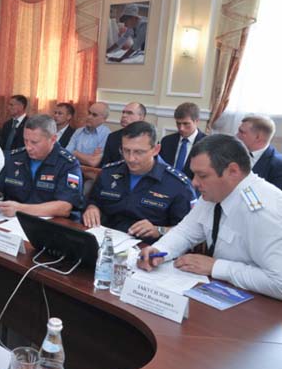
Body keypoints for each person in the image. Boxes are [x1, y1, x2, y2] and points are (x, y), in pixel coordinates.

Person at [139, 135, 282, 300]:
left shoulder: (264, 211)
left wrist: (217, 267)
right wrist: (159, 250)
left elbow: (279, 282)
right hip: (225, 292)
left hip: (263, 306)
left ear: (233, 171)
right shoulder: (216, 192)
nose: (194, 183)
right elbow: (186, 232)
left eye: (202, 175)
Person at [83, 121, 196, 244]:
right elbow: (94, 200)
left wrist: (159, 230)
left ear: (156, 149)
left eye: (139, 152)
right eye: (126, 151)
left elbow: (188, 232)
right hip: (104, 241)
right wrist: (92, 207)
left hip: (148, 248)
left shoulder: (178, 185)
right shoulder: (108, 173)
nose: (131, 158)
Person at [0, 115, 83, 218]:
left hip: (48, 223)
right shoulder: (15, 157)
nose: (28, 147)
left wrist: (20, 209)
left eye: (34, 142)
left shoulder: (68, 164)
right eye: (25, 141)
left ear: (53, 139)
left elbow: (64, 207)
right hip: (9, 220)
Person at [159, 102, 206, 180]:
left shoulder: (207, 144)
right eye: (178, 123)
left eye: (186, 124)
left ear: (197, 121)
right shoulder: (167, 141)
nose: (181, 128)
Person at [236, 115, 282, 190]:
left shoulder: (278, 165)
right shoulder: (233, 151)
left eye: (241, 132)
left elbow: (276, 195)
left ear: (258, 137)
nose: (237, 135)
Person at [66, 102, 111, 167]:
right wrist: (88, 157)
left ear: (104, 119)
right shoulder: (78, 131)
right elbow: (67, 154)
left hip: (91, 172)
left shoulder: (107, 135)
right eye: (89, 113)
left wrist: (75, 153)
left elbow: (93, 162)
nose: (89, 117)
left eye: (94, 115)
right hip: (72, 168)